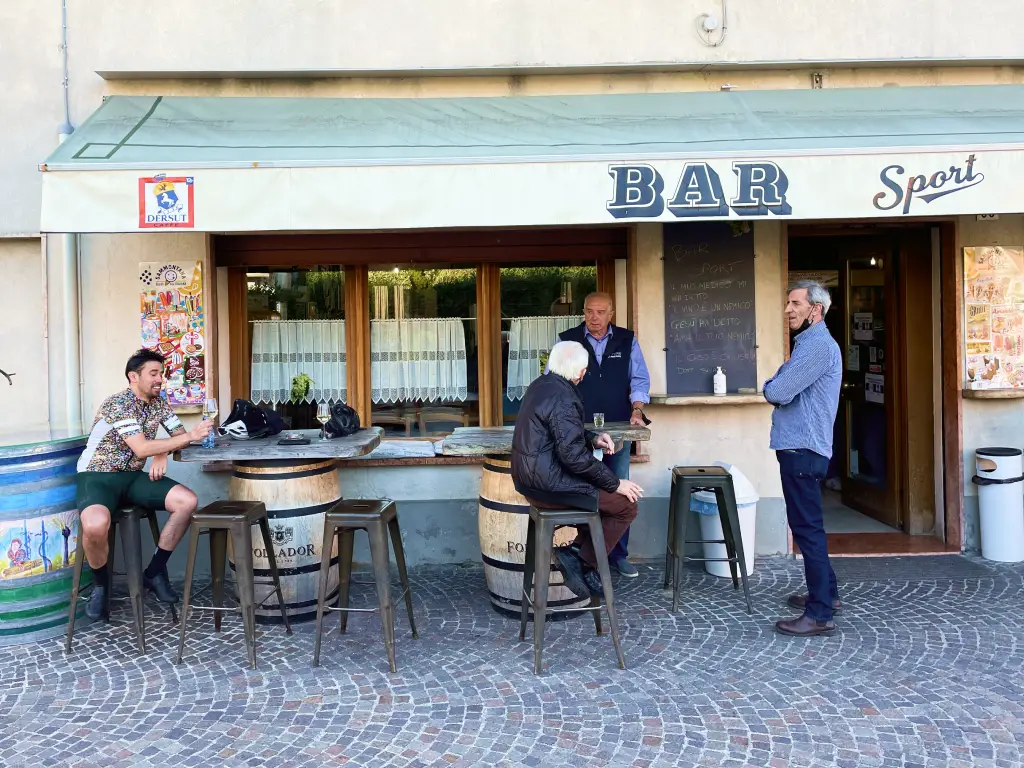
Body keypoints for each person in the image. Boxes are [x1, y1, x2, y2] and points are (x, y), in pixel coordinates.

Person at [76, 349, 213, 620]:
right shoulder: (118, 403)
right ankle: (101, 586)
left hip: (132, 477)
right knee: (94, 525)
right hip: (97, 475)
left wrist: (161, 452)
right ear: (133, 377)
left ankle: (153, 572)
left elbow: (179, 436)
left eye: (160, 373)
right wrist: (162, 447)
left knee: (187, 502)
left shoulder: (158, 403)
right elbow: (141, 448)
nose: (159, 379)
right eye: (153, 373)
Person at [512, 340, 645, 597]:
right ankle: (584, 562)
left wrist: (592, 437)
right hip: (549, 487)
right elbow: (572, 456)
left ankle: (574, 554)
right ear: (580, 373)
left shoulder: (541, 385)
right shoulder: (563, 396)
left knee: (600, 504)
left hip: (530, 482)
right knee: (625, 505)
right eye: (584, 370)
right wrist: (616, 483)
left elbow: (562, 432)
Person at [763, 281, 843, 636]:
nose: (787, 309)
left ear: (816, 309)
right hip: (802, 447)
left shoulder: (817, 347)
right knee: (809, 526)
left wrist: (774, 382)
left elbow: (778, 390)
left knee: (807, 529)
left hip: (803, 448)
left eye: (795, 303)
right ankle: (827, 594)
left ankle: (819, 612)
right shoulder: (810, 344)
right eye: (787, 302)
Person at [556, 291, 650, 578]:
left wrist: (636, 410)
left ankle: (618, 556)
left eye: (600, 312)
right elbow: (557, 379)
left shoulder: (626, 339)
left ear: (611, 313)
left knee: (620, 488)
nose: (594, 318)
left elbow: (639, 378)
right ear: (583, 312)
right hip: (577, 430)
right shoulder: (567, 339)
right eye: (588, 312)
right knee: (585, 489)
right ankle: (586, 558)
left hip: (618, 428)